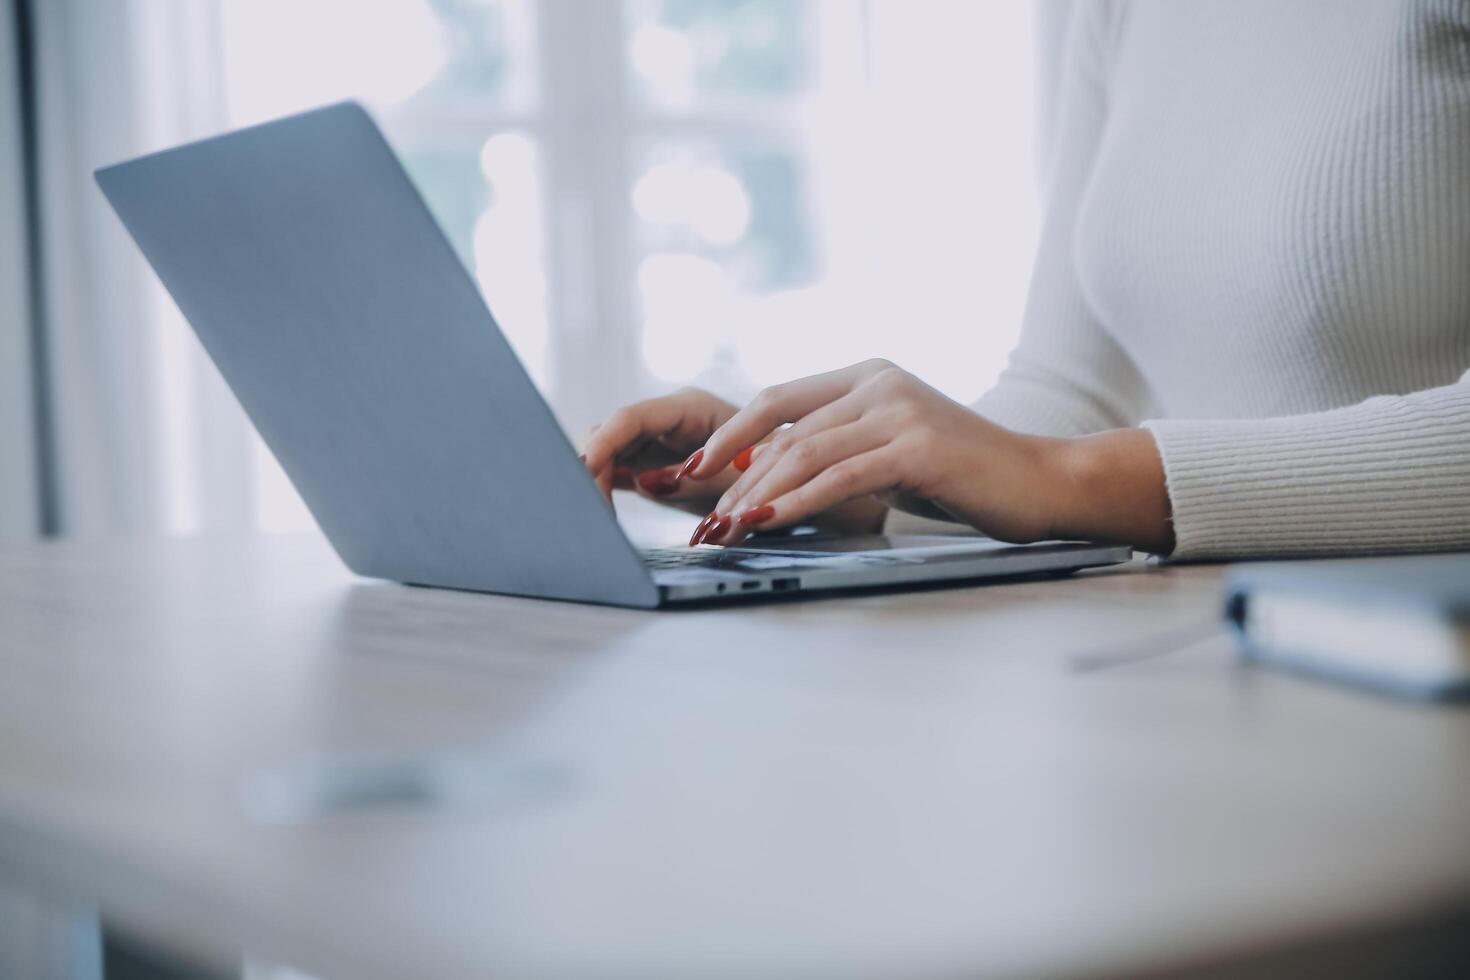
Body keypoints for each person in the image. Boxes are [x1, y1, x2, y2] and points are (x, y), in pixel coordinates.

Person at [581, 0, 1470, 557]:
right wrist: (826, 477)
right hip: (1184, 660)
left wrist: (1072, 477)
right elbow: (1068, 394)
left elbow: (1060, 465)